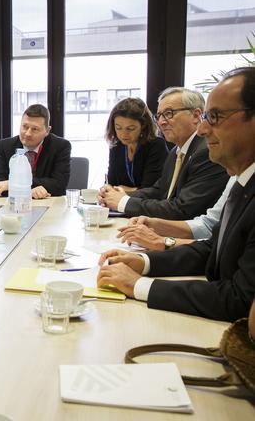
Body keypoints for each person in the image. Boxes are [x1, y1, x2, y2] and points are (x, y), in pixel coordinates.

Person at [97, 67, 255, 322]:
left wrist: (139, 285)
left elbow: (239, 299)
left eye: (214, 117)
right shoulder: (242, 182)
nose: (203, 130)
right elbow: (212, 251)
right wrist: (144, 261)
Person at [99, 87, 228, 219]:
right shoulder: (176, 152)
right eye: (159, 115)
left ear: (196, 115)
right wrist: (120, 195)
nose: (161, 121)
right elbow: (159, 191)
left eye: (169, 113)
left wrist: (123, 202)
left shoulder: (206, 152)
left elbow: (182, 209)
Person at [116, 177, 236, 250]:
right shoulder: (236, 176)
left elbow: (228, 249)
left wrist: (164, 242)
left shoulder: (202, 152)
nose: (201, 133)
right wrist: (155, 224)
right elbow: (209, 224)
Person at [0, 104, 71, 199]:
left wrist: (13, 184)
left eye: (35, 129)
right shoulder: (6, 146)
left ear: (47, 131)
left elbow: (59, 185)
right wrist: (28, 189)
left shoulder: (60, 146)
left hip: (47, 204)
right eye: (25, 126)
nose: (28, 133)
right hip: (14, 204)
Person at [104, 97, 168, 191]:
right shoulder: (116, 145)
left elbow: (151, 190)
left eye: (130, 128)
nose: (123, 134)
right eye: (118, 128)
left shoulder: (156, 145)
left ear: (143, 125)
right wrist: (106, 190)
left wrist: (123, 190)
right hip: (120, 203)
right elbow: (112, 183)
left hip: (148, 204)